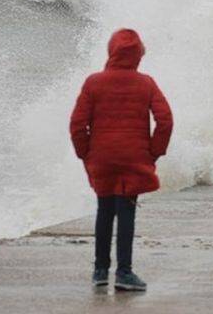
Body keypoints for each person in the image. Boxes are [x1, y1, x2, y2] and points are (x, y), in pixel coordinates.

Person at [69, 28, 173, 291]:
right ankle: (124, 272)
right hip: (134, 157)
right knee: (126, 211)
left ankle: (100, 270)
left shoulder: (94, 82)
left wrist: (85, 153)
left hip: (102, 157)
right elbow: (165, 120)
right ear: (138, 54)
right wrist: (154, 151)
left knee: (104, 209)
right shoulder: (146, 83)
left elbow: (77, 124)